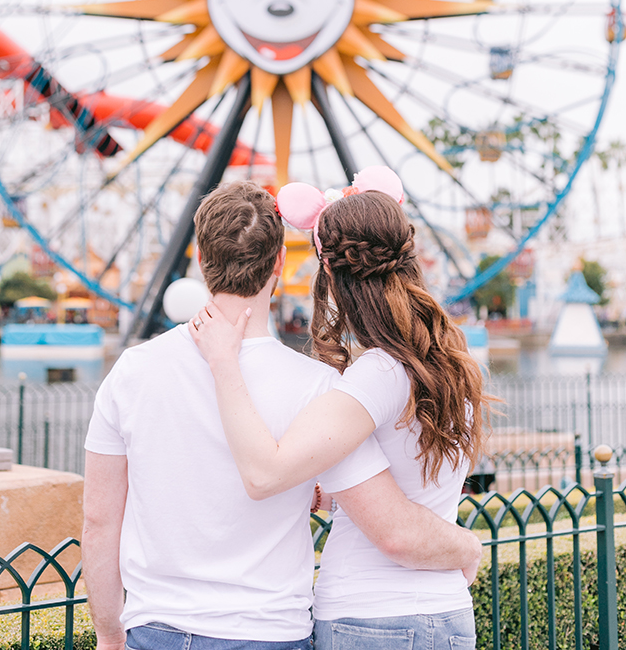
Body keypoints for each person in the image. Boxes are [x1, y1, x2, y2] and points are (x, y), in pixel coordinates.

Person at [82, 179, 481, 650]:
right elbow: (380, 511)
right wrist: (467, 545)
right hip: (268, 630)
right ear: (278, 263)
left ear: (201, 257)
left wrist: (109, 633)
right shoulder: (320, 386)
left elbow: (100, 522)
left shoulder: (132, 371)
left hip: (156, 627)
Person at [190, 167, 490, 650]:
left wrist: (224, 363)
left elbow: (266, 473)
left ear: (327, 269)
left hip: (372, 618)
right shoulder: (444, 360)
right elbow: (405, 481)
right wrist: (327, 493)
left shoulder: (377, 374)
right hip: (445, 612)